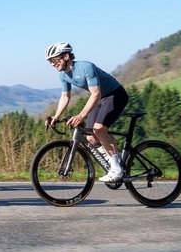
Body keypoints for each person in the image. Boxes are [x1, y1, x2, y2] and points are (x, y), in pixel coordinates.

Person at [44, 42, 129, 182]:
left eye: (54, 60)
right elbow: (65, 96)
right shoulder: (63, 75)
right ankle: (116, 158)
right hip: (100, 98)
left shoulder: (85, 67)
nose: (52, 64)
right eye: (50, 62)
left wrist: (81, 115)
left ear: (66, 56)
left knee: (99, 130)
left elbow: (95, 93)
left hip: (115, 95)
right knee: (90, 137)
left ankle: (117, 169)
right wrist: (55, 116)